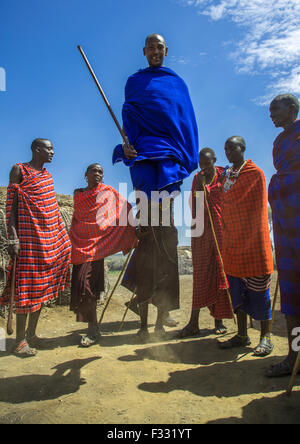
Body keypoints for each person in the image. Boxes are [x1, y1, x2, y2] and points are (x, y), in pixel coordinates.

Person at [113, 34, 198, 341]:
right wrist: (128, 146)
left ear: (166, 50)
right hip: (144, 163)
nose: (154, 51)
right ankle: (143, 322)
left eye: (159, 47)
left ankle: (161, 319)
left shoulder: (177, 84)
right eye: (149, 47)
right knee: (148, 242)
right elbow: (129, 120)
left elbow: (184, 122)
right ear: (144, 51)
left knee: (166, 246)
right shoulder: (134, 82)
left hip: (169, 164)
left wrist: (185, 158)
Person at [0, 139, 71, 357]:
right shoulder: (19, 170)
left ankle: (32, 334)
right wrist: (13, 237)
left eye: (52, 148)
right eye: (48, 148)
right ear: (36, 150)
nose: (52, 152)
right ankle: (20, 340)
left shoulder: (47, 176)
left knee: (40, 288)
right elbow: (11, 205)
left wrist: (60, 237)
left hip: (48, 240)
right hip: (28, 240)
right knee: (26, 288)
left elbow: (50, 210)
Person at [218, 136, 274, 356]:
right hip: (232, 242)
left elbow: (256, 206)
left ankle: (265, 337)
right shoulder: (225, 177)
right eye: (226, 149)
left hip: (254, 243)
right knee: (237, 291)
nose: (229, 152)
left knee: (260, 293)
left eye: (232, 148)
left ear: (243, 148)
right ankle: (242, 335)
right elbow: (224, 202)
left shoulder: (255, 173)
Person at [69, 163, 136, 346]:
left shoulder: (108, 192)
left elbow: (126, 207)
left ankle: (92, 331)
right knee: (84, 287)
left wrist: (130, 230)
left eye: (100, 171)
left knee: (87, 287)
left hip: (97, 248)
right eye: (94, 171)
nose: (97, 174)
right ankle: (94, 329)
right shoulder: (78, 194)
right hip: (80, 245)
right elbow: (78, 218)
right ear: (86, 174)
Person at [177, 148, 233, 338]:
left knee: (220, 273)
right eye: (201, 165)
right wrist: (201, 187)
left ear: (214, 161)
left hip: (221, 231)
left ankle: (219, 320)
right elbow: (194, 205)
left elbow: (228, 199)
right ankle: (194, 323)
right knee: (200, 275)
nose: (204, 168)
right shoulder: (197, 178)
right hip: (201, 233)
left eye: (207, 164)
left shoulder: (224, 175)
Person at [265, 94, 300, 377]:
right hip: (285, 222)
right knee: (291, 292)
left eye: (274, 109)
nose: (271, 115)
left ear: (292, 109)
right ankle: (295, 356)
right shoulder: (278, 143)